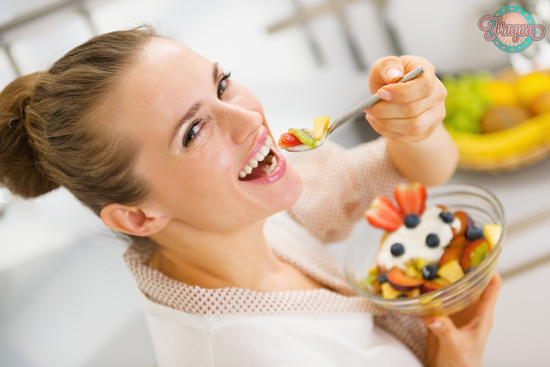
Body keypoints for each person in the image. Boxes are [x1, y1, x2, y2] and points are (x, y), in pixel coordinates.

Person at [0, 25, 501, 367]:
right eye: (193, 132)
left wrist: (414, 124)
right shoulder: (244, 352)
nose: (249, 119)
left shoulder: (235, 216)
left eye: (224, 84)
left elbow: (413, 168)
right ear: (136, 215)